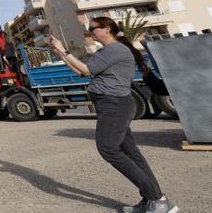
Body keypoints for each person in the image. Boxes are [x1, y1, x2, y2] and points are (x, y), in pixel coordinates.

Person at [49, 17, 177, 213]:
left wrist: (64, 50)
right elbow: (81, 72)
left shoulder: (115, 49)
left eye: (93, 28)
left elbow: (86, 68)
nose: (90, 32)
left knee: (108, 148)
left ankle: (156, 198)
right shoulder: (106, 51)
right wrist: (60, 53)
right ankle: (153, 200)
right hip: (113, 104)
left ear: (106, 29)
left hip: (114, 104)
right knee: (131, 153)